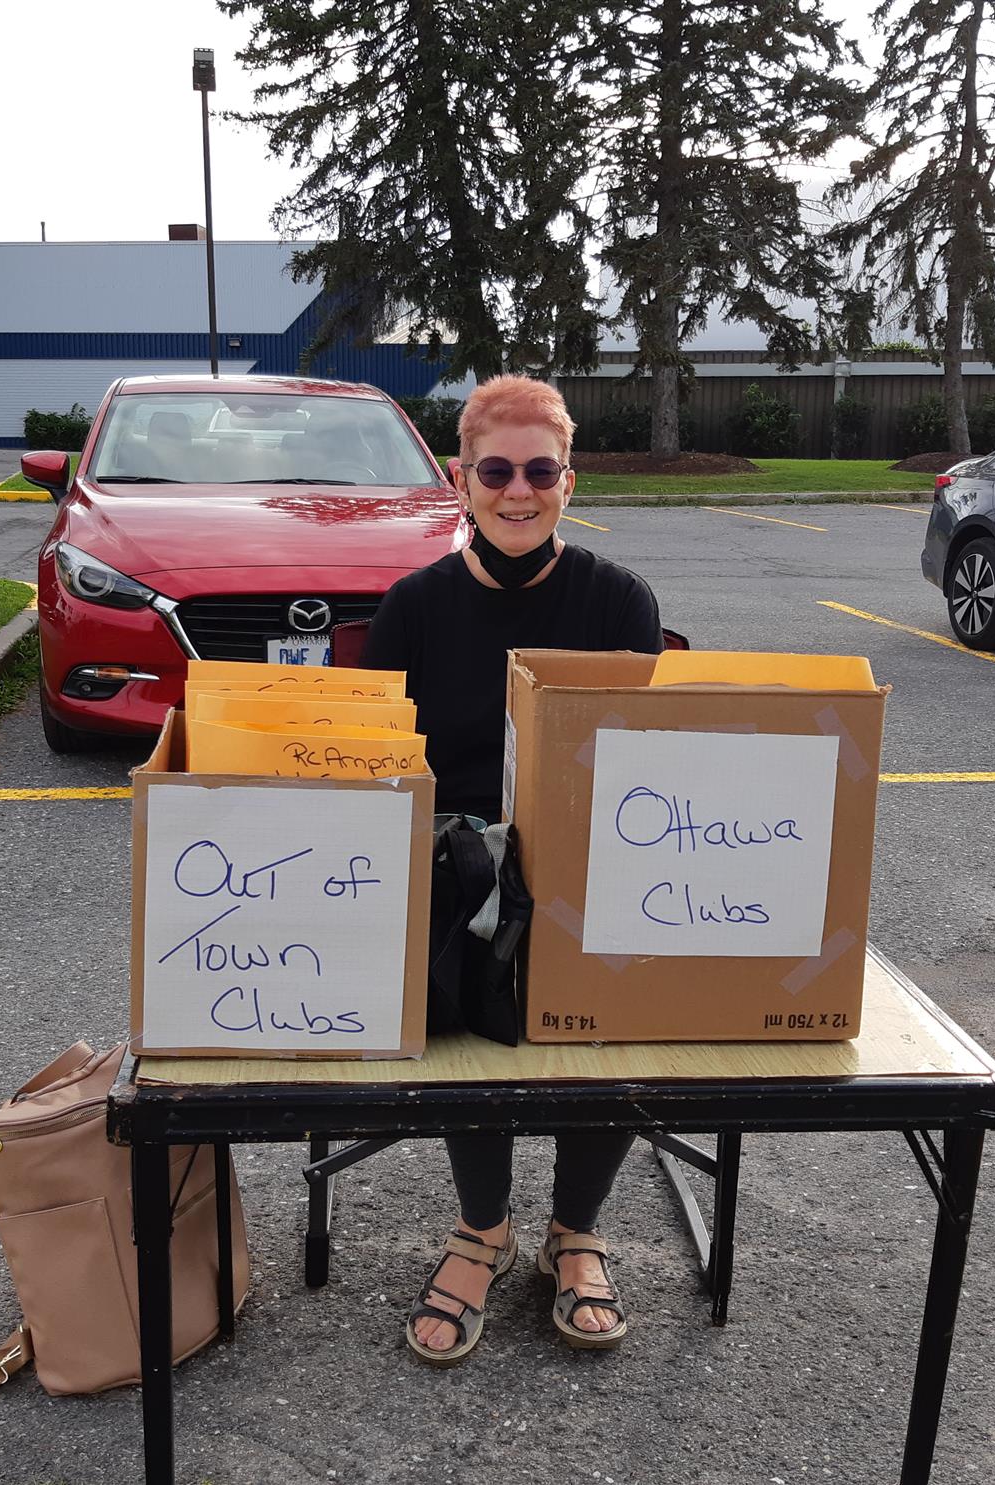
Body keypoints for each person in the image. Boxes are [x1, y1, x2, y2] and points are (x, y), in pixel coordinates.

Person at [362, 375, 664, 1365]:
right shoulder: (413, 608)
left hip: (593, 873)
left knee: (622, 992)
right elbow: (370, 771)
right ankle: (482, 1228)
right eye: (496, 471)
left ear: (569, 482)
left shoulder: (619, 600)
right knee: (464, 966)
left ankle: (575, 1229)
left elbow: (651, 764)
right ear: (461, 480)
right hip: (454, 876)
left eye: (540, 471)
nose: (518, 491)